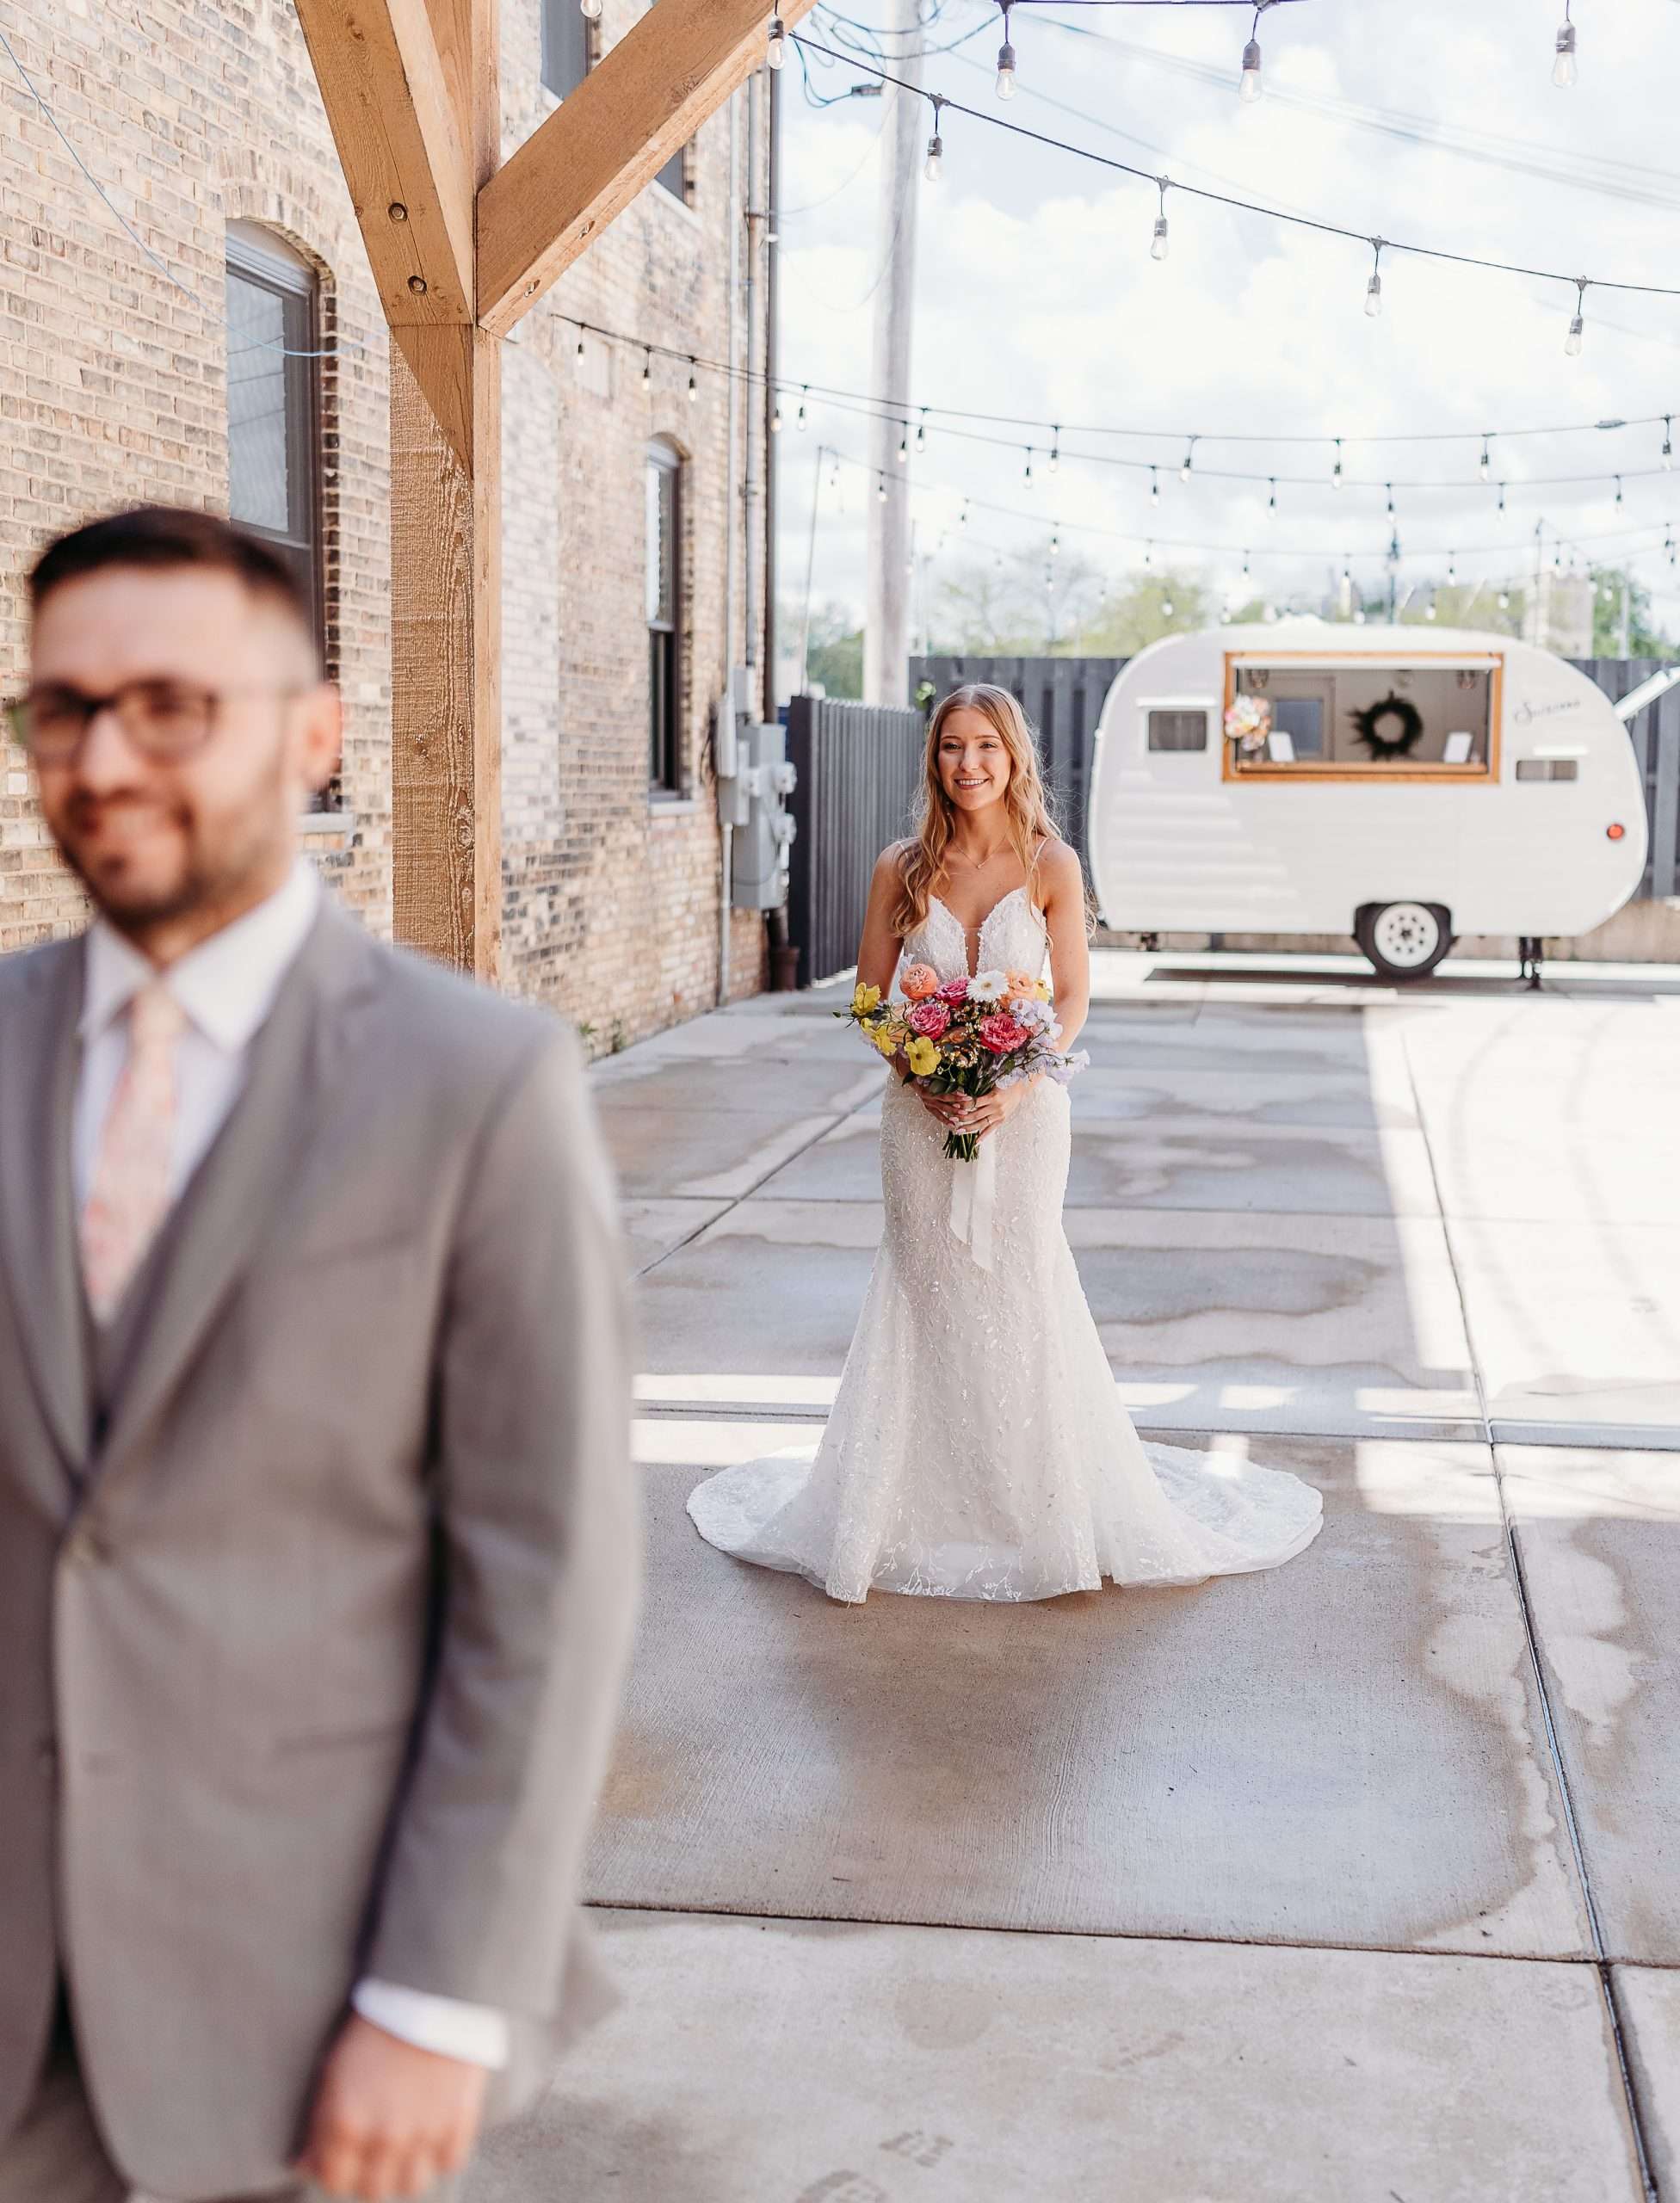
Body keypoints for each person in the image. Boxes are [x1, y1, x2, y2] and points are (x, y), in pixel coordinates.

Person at [0, 506, 641, 2202]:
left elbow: (547, 1572)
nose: (101, 758)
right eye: (58, 709)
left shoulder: (476, 1083)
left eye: (170, 705)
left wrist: (443, 1991)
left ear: (314, 728)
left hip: (295, 1994)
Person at [688, 682, 1323, 1603]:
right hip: (919, 1118)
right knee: (923, 1286)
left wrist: (1015, 1086)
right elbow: (871, 999)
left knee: (1019, 1284)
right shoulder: (899, 868)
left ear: (1013, 755)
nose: (968, 763)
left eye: (985, 745)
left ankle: (1036, 1508)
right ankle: (903, 1506)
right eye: (951, 746)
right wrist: (921, 1072)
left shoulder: (1050, 864)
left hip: (1027, 1119)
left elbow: (1068, 1000)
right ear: (933, 759)